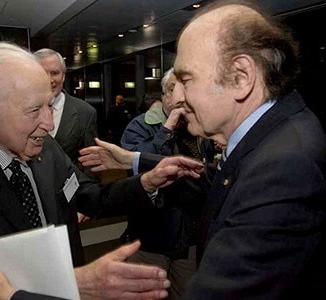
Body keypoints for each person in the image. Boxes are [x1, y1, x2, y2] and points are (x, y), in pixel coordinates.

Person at [83, 1, 326, 299]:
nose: (178, 97)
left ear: (240, 77)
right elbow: (216, 180)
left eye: (186, 80)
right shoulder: (271, 136)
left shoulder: (283, 166)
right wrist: (135, 161)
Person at [0, 41, 204, 299]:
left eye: (50, 105)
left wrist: (146, 182)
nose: (48, 123)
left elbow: (85, 195)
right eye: (35, 110)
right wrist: (72, 282)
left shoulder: (43, 144)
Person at [119, 67, 210, 299]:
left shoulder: (197, 127)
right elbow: (137, 168)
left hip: (188, 238)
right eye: (172, 89)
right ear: (164, 96)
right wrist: (166, 129)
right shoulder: (140, 126)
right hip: (151, 237)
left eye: (185, 88)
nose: (180, 96)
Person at [33, 48, 98, 179]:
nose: (49, 80)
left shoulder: (84, 112)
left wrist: (88, 195)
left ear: (63, 75)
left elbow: (91, 163)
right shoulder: (17, 109)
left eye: (55, 73)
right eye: (42, 73)